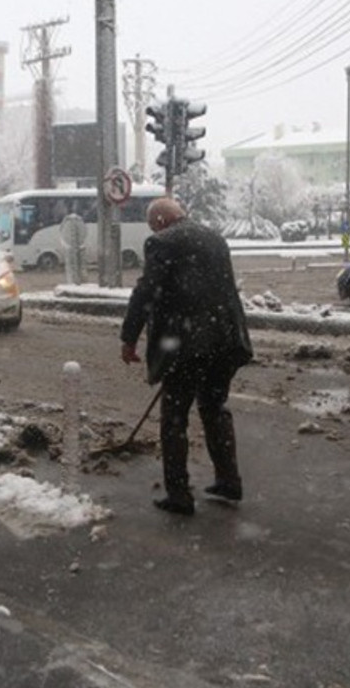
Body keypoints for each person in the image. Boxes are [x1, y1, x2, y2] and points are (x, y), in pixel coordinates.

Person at [120, 197, 253, 516]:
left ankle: (179, 495)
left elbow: (146, 292)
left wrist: (129, 338)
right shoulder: (214, 237)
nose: (153, 230)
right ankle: (229, 480)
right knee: (214, 407)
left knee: (175, 418)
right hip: (226, 340)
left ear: (161, 222)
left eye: (153, 225)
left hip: (188, 344)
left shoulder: (162, 242)